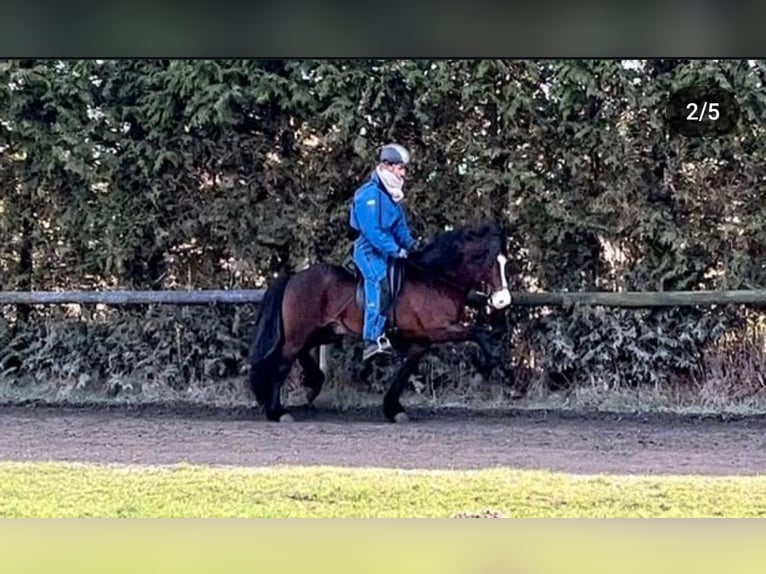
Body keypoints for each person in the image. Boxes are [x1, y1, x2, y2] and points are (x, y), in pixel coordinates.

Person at [349, 143, 417, 361]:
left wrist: (413, 247)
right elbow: (372, 232)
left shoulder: (393, 197)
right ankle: (372, 338)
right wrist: (396, 250)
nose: (403, 173)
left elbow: (401, 229)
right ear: (387, 166)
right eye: (400, 168)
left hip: (388, 251)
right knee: (380, 282)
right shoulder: (368, 195)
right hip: (368, 250)